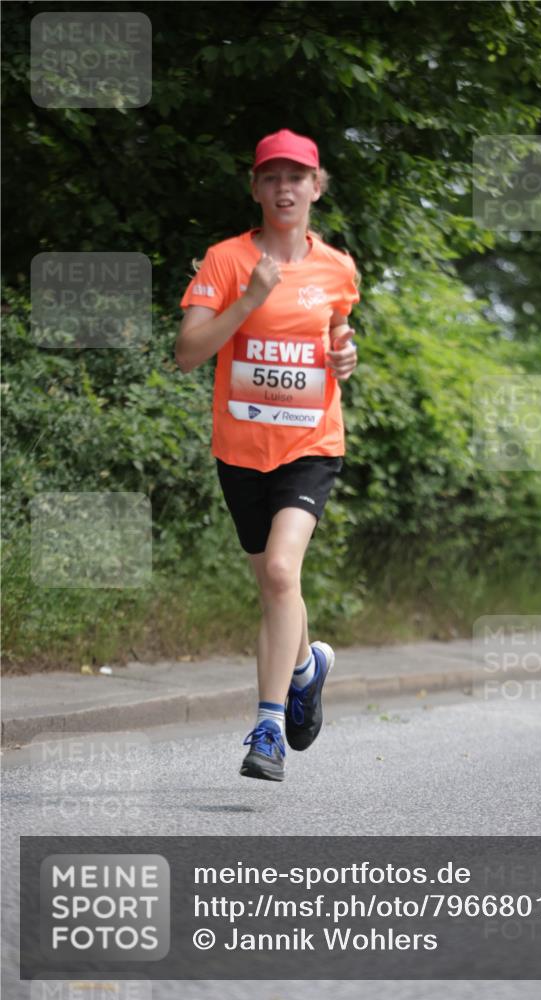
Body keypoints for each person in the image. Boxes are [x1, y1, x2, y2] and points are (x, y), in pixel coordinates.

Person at [176, 128, 360, 782]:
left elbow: (338, 334)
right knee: (271, 586)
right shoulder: (225, 261)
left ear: (316, 187)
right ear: (255, 189)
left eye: (297, 177)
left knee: (282, 572)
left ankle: (268, 728)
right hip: (240, 449)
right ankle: (306, 668)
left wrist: (345, 352)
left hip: (310, 445)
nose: (285, 188)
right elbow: (187, 352)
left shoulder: (337, 267)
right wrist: (250, 300)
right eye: (271, 177)